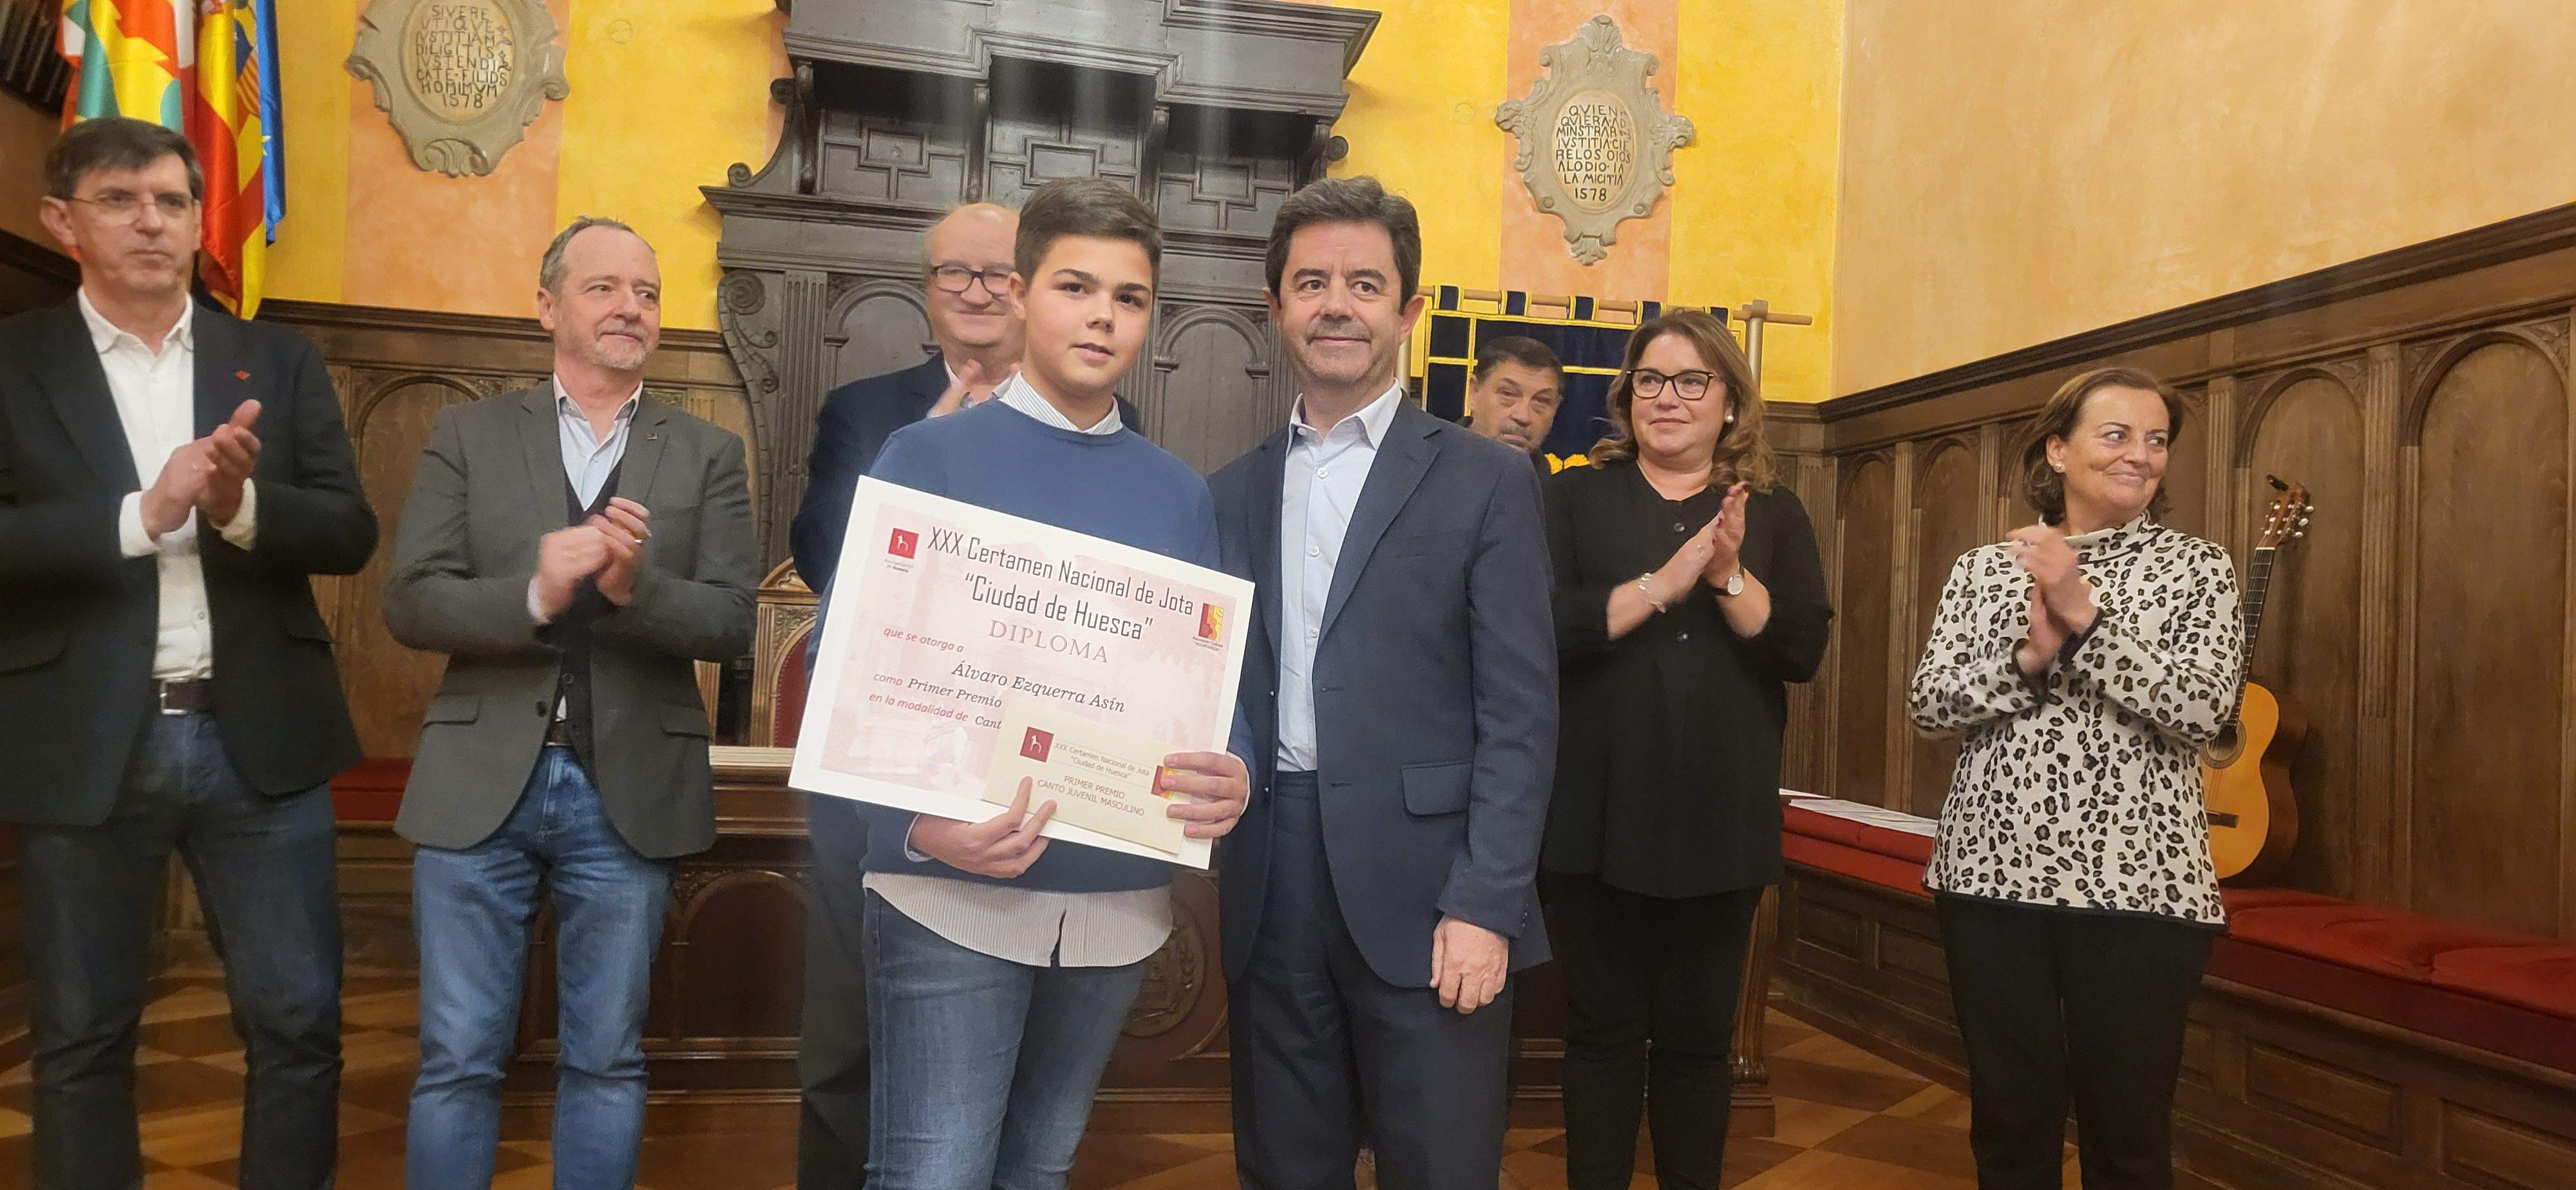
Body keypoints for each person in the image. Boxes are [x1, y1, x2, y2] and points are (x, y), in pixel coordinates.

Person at [849, 176, 1251, 1190]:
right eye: (1078, 287)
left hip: (1113, 902)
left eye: (1129, 297)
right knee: (932, 1174)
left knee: (1040, 1168)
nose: (1104, 316)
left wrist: (1232, 765)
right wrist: (912, 827)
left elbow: (1203, 679)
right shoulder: (926, 457)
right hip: (951, 890)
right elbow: (859, 680)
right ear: (1024, 294)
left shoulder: (1177, 492)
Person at [0, 117, 374, 1190]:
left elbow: (349, 530)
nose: (152, 222)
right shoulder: (14, 361)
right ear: (61, 221)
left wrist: (239, 504)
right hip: (87, 744)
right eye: (121, 200)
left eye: (170, 200)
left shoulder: (276, 358)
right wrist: (140, 511)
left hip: (258, 739)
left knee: (299, 1024)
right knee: (79, 1037)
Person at [383, 216, 759, 1189]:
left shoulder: (708, 452)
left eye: (646, 291)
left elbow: (730, 624)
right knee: (459, 1058)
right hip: (478, 785)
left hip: (628, 790)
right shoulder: (469, 432)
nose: (630, 306)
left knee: (606, 1059)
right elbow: (411, 600)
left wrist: (637, 592)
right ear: (548, 305)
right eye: (603, 287)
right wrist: (536, 594)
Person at [1210, 176, 1557, 1190]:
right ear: (1275, 306)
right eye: (1311, 281)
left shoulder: (1488, 480)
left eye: (1365, 283)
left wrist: (1487, 903)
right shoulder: (1229, 490)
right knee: (1287, 1166)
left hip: (1433, 891)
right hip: (1271, 879)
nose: (1336, 304)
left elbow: (1522, 713)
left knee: (1441, 1167)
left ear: (1408, 312)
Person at [1909, 366, 2242, 1190]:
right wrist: (2028, 658)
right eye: (2116, 434)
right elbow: (1927, 704)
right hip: (1991, 879)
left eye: (2156, 439)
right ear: (2056, 450)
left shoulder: (2199, 569)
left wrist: (2083, 616)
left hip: (2141, 889)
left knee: (2127, 1137)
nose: (2140, 455)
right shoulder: (1985, 569)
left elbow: (2205, 713)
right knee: (2010, 1127)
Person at [1538, 310, 1832, 1189]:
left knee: (1701, 1046)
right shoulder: (1570, 498)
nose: (1668, 398)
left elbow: (1802, 653)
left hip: (1720, 824)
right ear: (1626, 399)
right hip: (1591, 820)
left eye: (1692, 381)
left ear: (1731, 404)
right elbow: (1541, 633)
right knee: (1600, 1037)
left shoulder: (1774, 514)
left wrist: (1728, 577)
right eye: (1651, 381)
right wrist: (1663, 586)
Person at [1463, 334, 1563, 473]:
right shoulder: (1427, 464)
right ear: (1474, 392)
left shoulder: (1558, 489)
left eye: (1541, 401)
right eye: (1508, 394)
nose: (1523, 417)